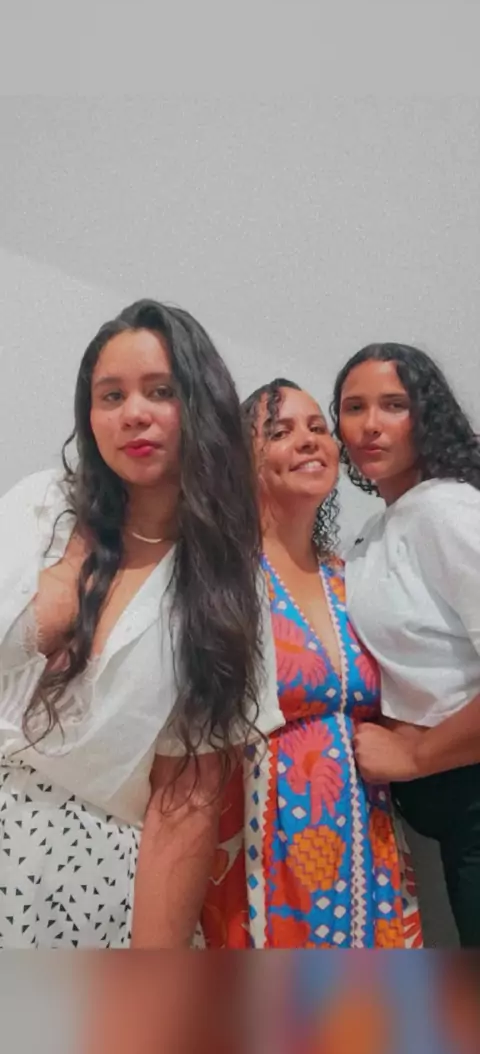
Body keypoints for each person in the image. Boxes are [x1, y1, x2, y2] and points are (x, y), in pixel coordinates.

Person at [0, 298, 283, 948]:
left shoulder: (227, 585)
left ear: (202, 406)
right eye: (111, 395)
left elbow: (184, 806)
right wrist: (82, 549)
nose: (133, 413)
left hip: (89, 879)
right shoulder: (40, 507)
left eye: (161, 391)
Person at [201, 378, 421, 948]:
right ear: (242, 460)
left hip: (367, 844)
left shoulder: (353, 578)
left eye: (317, 428)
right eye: (280, 431)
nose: (308, 440)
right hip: (263, 845)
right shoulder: (223, 583)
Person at [333, 342, 480, 947]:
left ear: (427, 415)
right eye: (353, 407)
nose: (370, 424)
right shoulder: (376, 532)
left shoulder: (448, 511)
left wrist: (415, 758)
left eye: (393, 405)